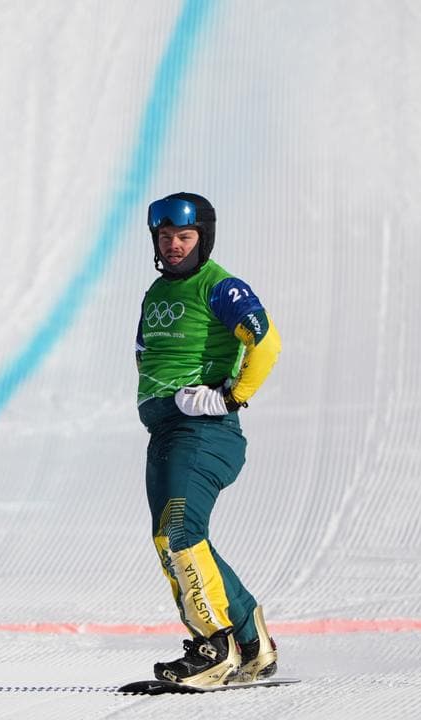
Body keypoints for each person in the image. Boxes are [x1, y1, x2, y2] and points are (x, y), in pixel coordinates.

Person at [135, 192, 282, 687]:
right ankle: (250, 643)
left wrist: (230, 396)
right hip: (168, 432)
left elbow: (266, 342)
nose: (173, 245)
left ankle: (213, 647)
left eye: (184, 236)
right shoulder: (157, 293)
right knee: (182, 536)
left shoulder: (220, 286)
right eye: (165, 236)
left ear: (203, 237)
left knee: (175, 531)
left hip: (202, 432)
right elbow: (146, 352)